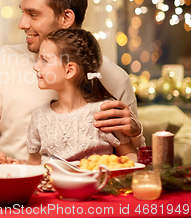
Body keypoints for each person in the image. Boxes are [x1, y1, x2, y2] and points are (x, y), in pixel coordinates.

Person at [0, 0, 143, 167]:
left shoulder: (114, 78)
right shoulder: (3, 61)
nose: (22, 23)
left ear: (66, 18)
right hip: (20, 187)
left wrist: (134, 132)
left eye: (33, 14)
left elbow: (136, 158)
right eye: (23, 12)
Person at [27, 29, 136, 165]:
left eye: (44, 60)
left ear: (69, 70)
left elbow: (128, 154)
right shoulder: (39, 117)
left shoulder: (105, 112)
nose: (35, 66)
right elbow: (34, 165)